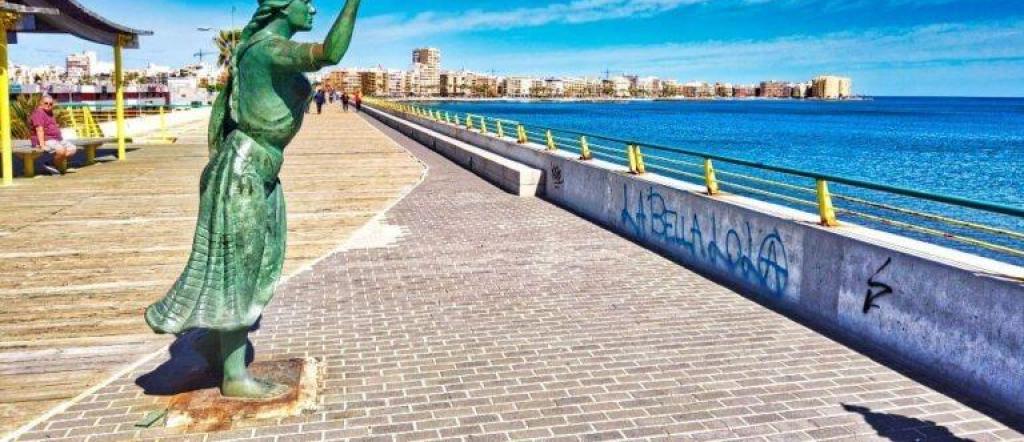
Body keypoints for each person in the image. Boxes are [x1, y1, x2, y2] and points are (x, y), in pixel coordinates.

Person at [144, 0, 362, 399]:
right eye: (305, 2)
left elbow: (225, 115)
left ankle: (214, 347)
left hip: (257, 170)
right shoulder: (268, 48)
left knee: (257, 265)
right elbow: (329, 53)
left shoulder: (259, 48)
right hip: (245, 170)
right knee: (239, 272)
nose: (313, 9)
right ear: (282, 6)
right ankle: (233, 377)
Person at [29, 95, 77, 175]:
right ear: (41, 103)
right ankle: (53, 165)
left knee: (72, 149)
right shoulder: (38, 113)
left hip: (56, 139)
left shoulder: (49, 112)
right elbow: (39, 130)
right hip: (46, 139)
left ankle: (50, 163)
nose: (48, 105)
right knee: (61, 151)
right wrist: (42, 145)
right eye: (46, 103)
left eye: (50, 104)